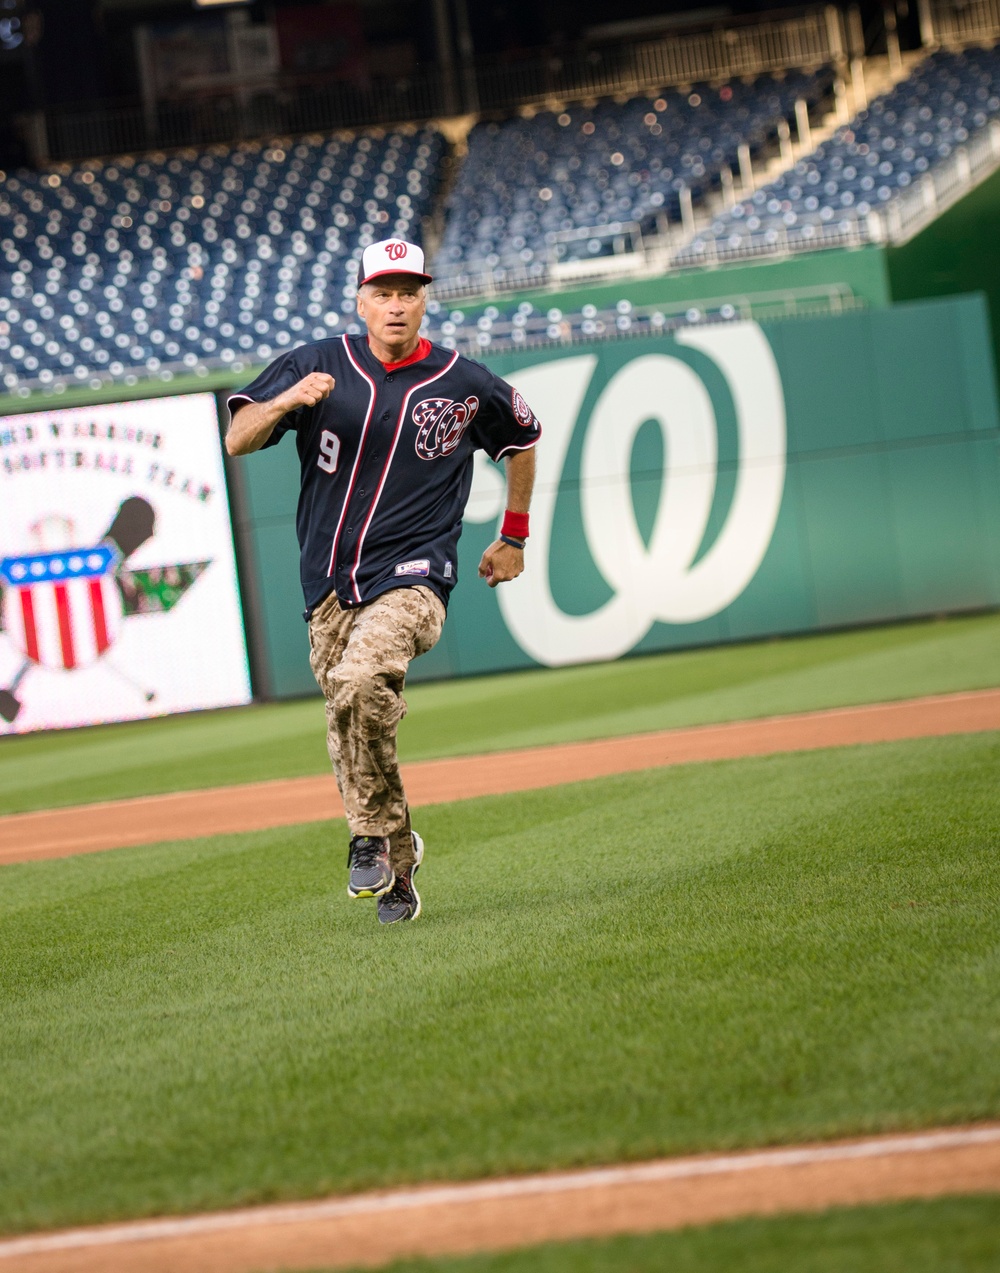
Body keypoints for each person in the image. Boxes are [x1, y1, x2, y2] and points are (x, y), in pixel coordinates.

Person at [225, 238, 541, 924]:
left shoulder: (463, 380)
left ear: (426, 299)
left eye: (410, 291)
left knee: (361, 683)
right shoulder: (315, 363)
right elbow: (238, 437)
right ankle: (399, 859)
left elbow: (521, 436)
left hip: (416, 575)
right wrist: (287, 403)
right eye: (385, 292)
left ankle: (365, 835)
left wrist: (513, 534)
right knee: (356, 727)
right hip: (328, 587)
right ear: (361, 301)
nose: (397, 305)